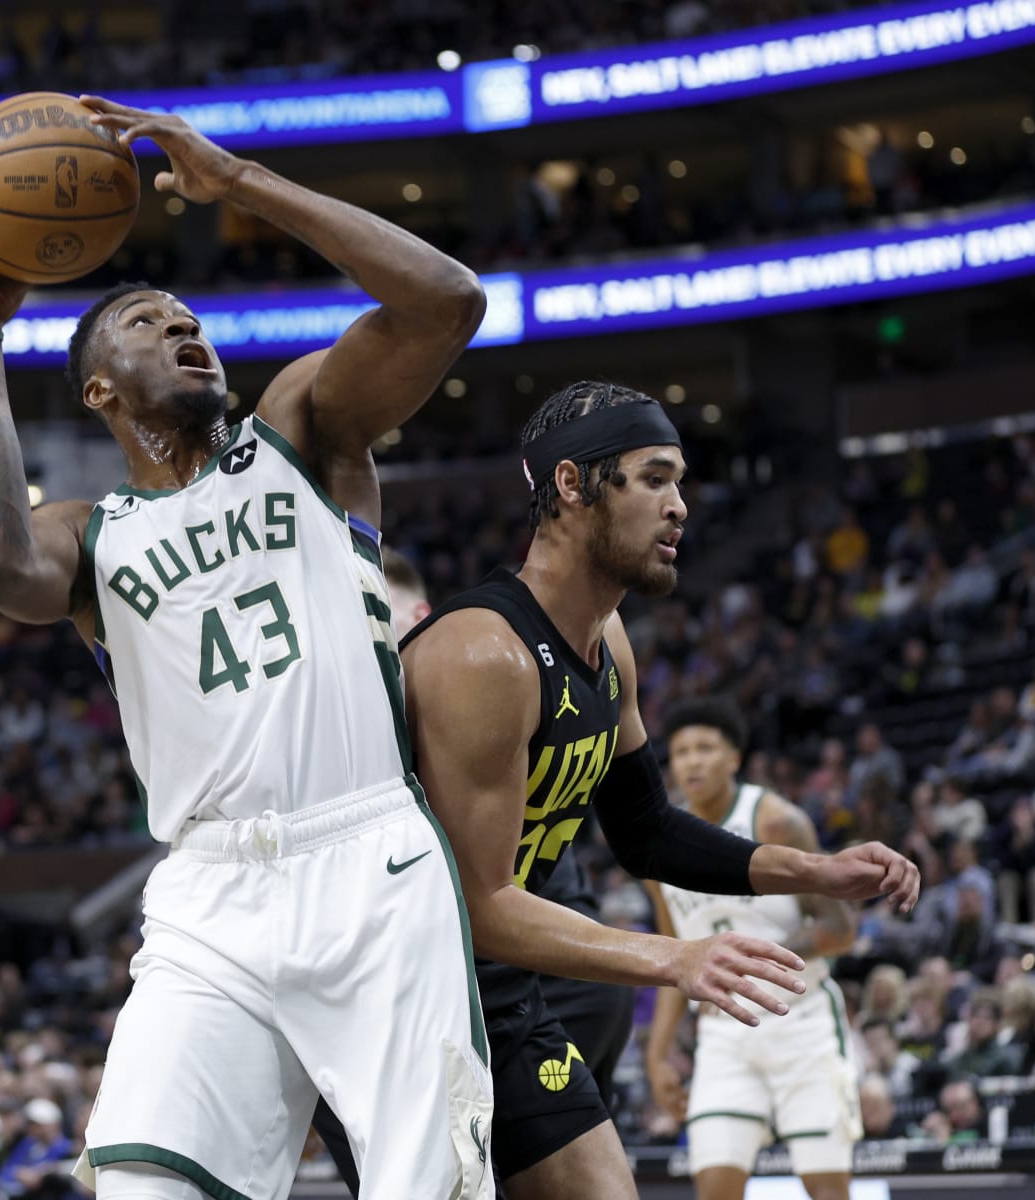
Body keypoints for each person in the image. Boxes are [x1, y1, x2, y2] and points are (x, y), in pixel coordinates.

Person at [0, 94, 494, 1200]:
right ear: (99, 388)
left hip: (368, 858)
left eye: (191, 316)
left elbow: (446, 304)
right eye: (150, 322)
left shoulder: (302, 434)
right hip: (207, 897)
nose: (186, 327)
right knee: (143, 1185)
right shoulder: (91, 534)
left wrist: (238, 182)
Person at [358, 382, 919, 1198]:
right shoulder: (484, 653)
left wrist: (816, 869)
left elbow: (646, 830)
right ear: (572, 487)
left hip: (500, 989)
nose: (680, 506)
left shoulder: (608, 640)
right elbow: (475, 901)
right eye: (654, 478)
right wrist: (675, 958)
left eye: (680, 481)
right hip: (401, 996)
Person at [313, 551, 638, 1194]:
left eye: (387, 624)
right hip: (387, 999)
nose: (380, 648)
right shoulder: (344, 730)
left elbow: (492, 907)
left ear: (426, 621)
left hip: (523, 987)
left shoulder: (472, 690)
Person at [645, 697, 862, 1200]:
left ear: (734, 758)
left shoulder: (776, 823)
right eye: (680, 752)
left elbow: (840, 925)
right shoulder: (659, 845)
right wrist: (658, 1056)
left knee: (827, 1188)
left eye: (705, 748)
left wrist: (760, 959)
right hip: (723, 1035)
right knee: (715, 1185)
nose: (692, 761)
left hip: (801, 1022)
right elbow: (672, 958)